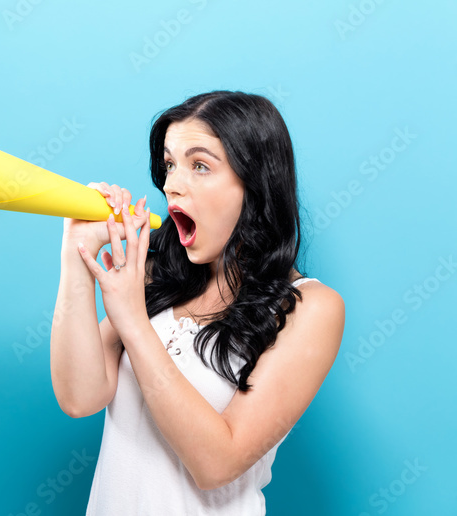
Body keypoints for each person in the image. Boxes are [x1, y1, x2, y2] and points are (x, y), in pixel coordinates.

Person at [49, 90, 345, 515]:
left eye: (200, 165)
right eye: (169, 164)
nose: (171, 184)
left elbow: (216, 463)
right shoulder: (157, 276)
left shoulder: (311, 307)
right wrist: (76, 256)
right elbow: (80, 398)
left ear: (255, 183)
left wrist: (132, 319)